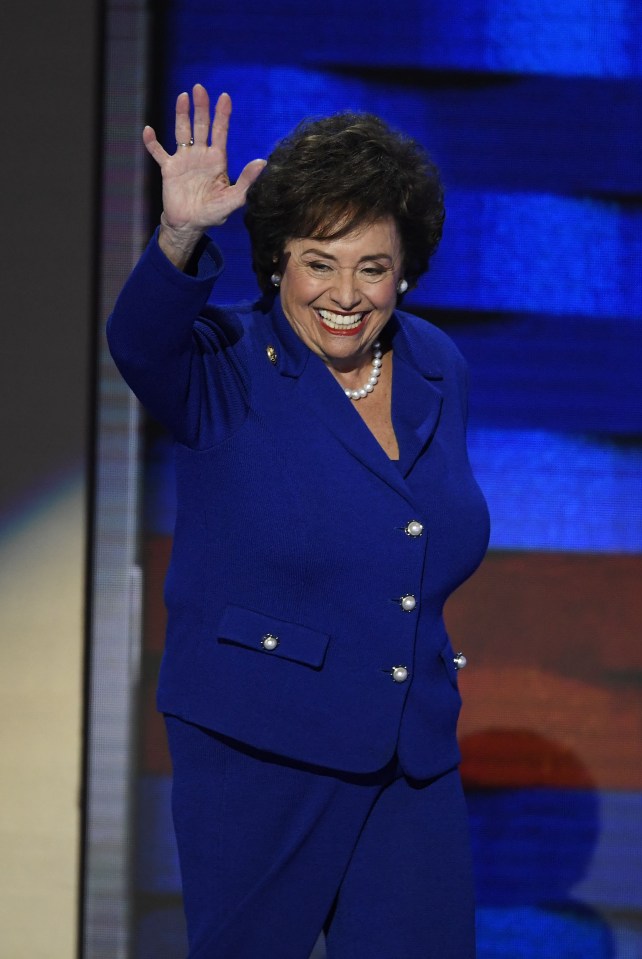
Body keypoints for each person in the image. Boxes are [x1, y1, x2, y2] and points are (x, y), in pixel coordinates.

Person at [107, 83, 490, 959]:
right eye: (319, 260)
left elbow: (416, 531)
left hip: (409, 752)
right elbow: (138, 343)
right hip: (258, 744)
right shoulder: (225, 363)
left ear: (407, 269)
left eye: (373, 266)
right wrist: (177, 235)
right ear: (277, 259)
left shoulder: (438, 363)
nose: (346, 293)